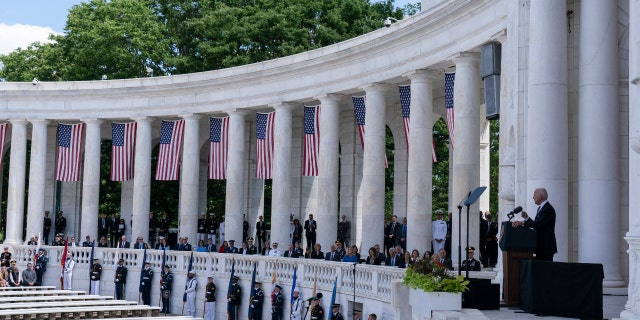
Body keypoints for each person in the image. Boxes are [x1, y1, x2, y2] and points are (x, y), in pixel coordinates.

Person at [512, 188, 558, 261]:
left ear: (540, 196)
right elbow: (538, 224)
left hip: (546, 247)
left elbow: (539, 224)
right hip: (541, 246)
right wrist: (527, 218)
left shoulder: (548, 209)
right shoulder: (542, 208)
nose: (533, 197)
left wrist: (523, 222)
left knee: (545, 270)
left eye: (534, 195)